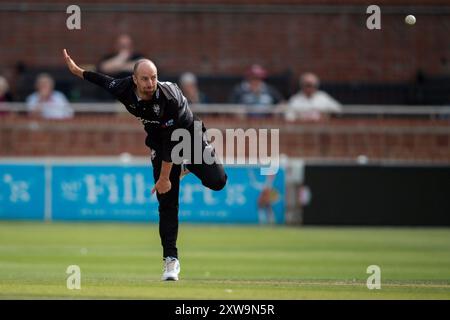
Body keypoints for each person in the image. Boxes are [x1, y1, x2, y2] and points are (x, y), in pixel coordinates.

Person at [63, 49, 227, 281]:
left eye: (154, 77)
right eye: (145, 79)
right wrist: (77, 71)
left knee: (218, 181)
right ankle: (171, 260)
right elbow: (103, 80)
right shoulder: (124, 89)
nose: (151, 83)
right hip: (160, 146)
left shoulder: (168, 98)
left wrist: (164, 178)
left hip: (188, 138)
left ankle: (187, 166)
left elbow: (174, 141)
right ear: (134, 80)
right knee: (167, 203)